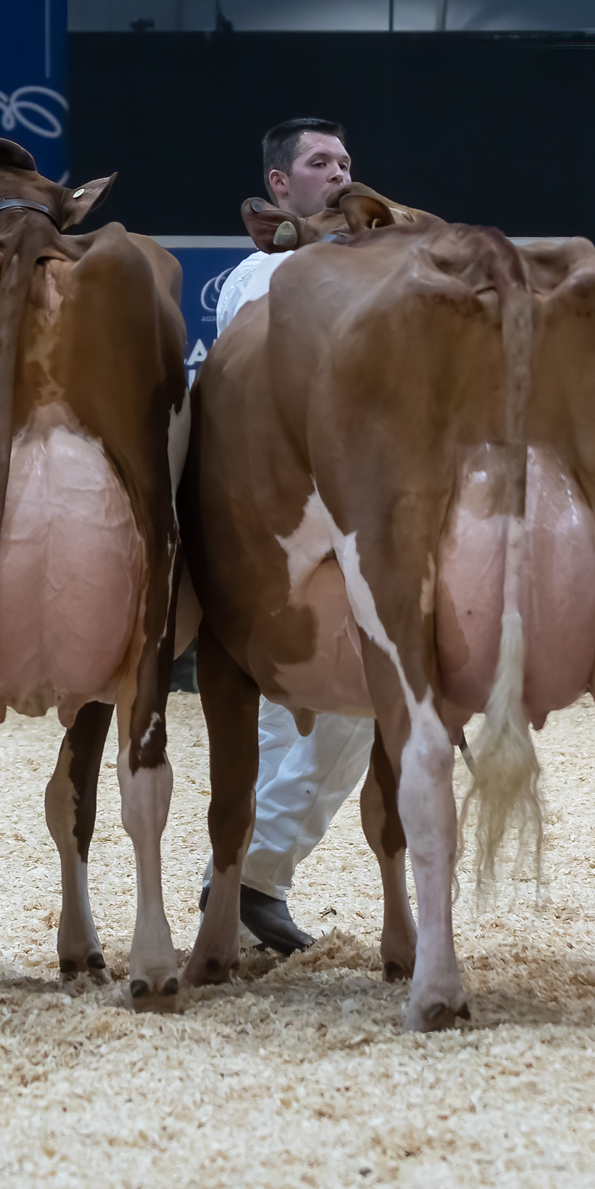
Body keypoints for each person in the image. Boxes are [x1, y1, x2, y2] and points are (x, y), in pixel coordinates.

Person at [212, 117, 379, 955]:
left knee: (353, 711)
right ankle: (242, 890)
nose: (339, 173)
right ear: (280, 184)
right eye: (320, 162)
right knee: (294, 719)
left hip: (343, 520)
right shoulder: (265, 273)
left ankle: (249, 885)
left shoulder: (361, 268)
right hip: (277, 534)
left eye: (345, 161)